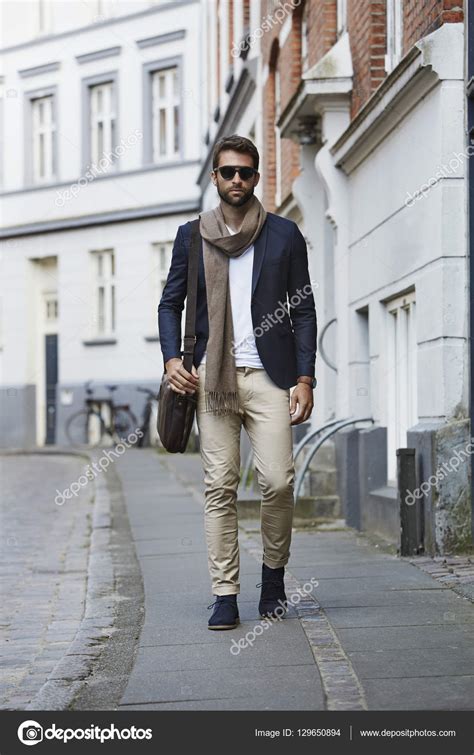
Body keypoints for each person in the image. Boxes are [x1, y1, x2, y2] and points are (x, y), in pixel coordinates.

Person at [158, 134, 317, 630]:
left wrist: (305, 377)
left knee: (277, 481)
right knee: (219, 486)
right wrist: (170, 360)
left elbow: (304, 309)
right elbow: (170, 302)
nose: (236, 181)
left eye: (245, 173)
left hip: (271, 376)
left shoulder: (284, 235)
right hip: (212, 379)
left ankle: (273, 580)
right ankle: (224, 593)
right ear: (215, 176)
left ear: (255, 177)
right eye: (227, 172)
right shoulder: (192, 235)